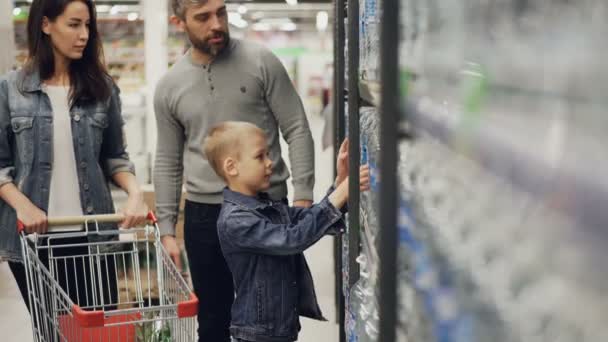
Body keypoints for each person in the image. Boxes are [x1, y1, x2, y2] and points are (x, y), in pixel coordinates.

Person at [154, 0, 315, 340]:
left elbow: (297, 127)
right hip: (204, 216)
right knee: (213, 320)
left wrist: (302, 195)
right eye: (203, 17)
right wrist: (167, 228)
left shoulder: (261, 61)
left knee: (272, 317)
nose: (217, 24)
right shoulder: (170, 86)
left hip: (266, 207)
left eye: (221, 12)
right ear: (179, 22)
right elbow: (168, 160)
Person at [0, 0, 148, 310]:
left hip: (92, 235)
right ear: (45, 24)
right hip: (34, 240)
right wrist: (23, 206)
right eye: (74, 24)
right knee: (52, 332)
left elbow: (115, 157)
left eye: (88, 25)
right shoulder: (10, 90)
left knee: (96, 327)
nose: (84, 34)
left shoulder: (102, 88)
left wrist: (135, 193)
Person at [203, 121, 369, 342]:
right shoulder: (236, 220)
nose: (270, 163)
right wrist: (340, 194)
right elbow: (293, 239)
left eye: (268, 154)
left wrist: (339, 184)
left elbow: (306, 219)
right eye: (260, 156)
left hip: (278, 330)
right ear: (232, 167)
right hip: (257, 335)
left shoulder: (266, 207)